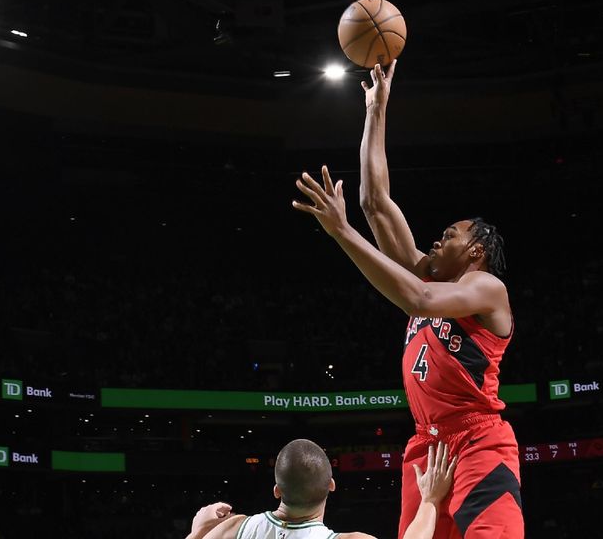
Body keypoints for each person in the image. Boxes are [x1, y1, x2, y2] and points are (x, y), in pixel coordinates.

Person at [292, 60, 523, 539]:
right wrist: (376, 110)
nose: (436, 241)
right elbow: (375, 203)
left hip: (478, 438)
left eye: (449, 235)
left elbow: (416, 298)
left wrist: (341, 234)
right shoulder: (431, 279)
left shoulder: (485, 289)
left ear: (476, 249)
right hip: (426, 446)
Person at [185, 438, 456, 539]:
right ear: (331, 486)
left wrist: (197, 531)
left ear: (277, 490)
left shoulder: (234, 529)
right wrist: (430, 499)